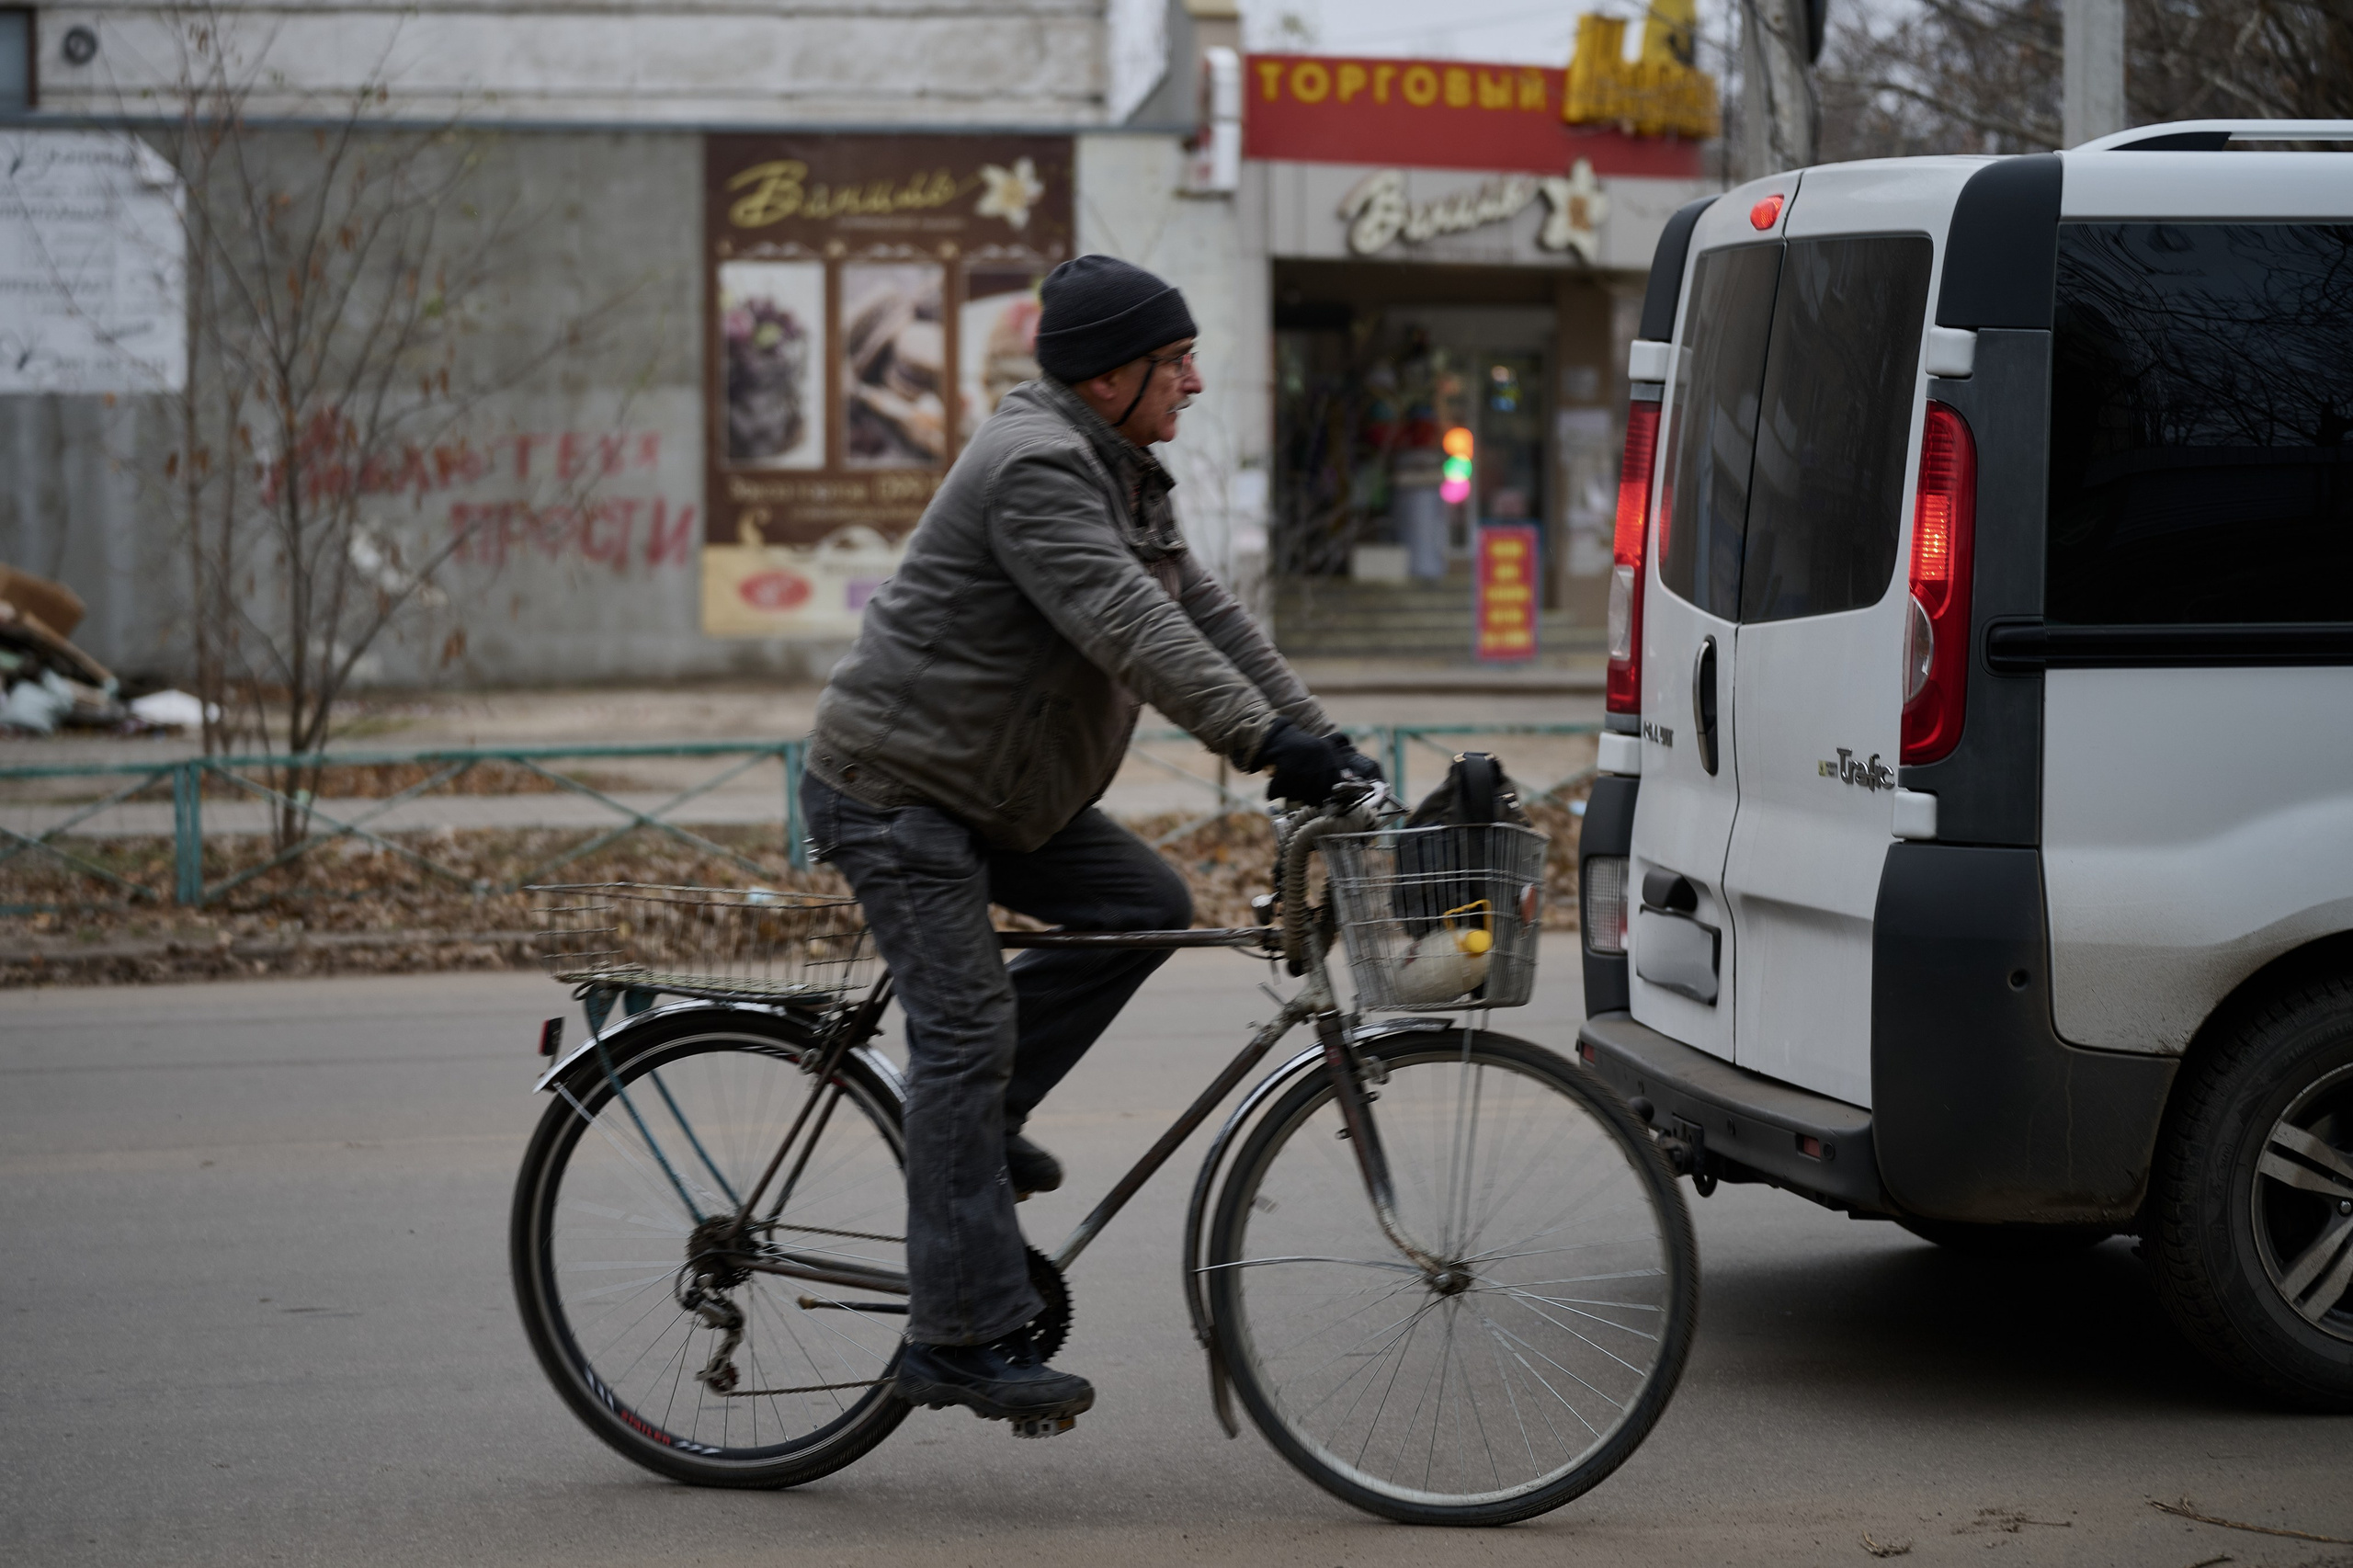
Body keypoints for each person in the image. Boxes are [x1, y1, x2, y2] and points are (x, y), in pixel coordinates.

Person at [801, 255, 1379, 1432]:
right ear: (1110, 374)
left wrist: (1321, 738)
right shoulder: (1036, 470)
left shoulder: (1115, 466)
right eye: (1177, 361)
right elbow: (1126, 627)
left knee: (1143, 905)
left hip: (996, 790)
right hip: (900, 789)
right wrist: (1262, 743)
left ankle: (976, 1124)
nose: (1197, 381)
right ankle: (955, 1335)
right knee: (963, 1033)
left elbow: (1201, 611)